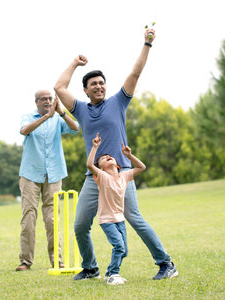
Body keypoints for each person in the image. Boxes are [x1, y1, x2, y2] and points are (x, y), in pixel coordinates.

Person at [54, 28, 178, 280]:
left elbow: (135, 72)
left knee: (134, 218)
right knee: (80, 225)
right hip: (95, 176)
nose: (99, 86)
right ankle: (90, 268)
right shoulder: (80, 109)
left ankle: (166, 263)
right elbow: (59, 87)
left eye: (101, 83)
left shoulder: (118, 102)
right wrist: (75, 63)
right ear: (86, 91)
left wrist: (147, 43)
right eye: (93, 85)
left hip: (120, 173)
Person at [16, 89, 79, 271]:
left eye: (50, 99)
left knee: (52, 219)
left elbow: (75, 129)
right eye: (43, 99)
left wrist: (60, 112)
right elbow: (24, 130)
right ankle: (26, 261)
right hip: (30, 174)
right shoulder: (28, 116)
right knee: (29, 216)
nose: (47, 101)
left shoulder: (58, 118)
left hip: (54, 174)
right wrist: (46, 117)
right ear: (36, 102)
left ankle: (57, 260)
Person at [86, 133, 146, 285]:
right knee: (119, 246)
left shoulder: (124, 177)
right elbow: (89, 165)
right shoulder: (102, 177)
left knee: (124, 251)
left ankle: (109, 273)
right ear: (101, 169)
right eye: (103, 158)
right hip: (107, 220)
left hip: (120, 219)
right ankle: (113, 274)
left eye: (109, 156)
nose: (107, 156)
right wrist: (95, 148)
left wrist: (129, 156)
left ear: (118, 166)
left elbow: (142, 167)